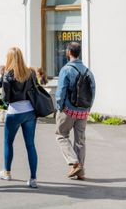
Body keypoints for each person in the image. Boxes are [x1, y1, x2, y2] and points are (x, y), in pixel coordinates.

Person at [0, 46, 38, 188]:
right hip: (30, 111)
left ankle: (7, 173)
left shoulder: (8, 74)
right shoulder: (30, 72)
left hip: (15, 111)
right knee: (30, 145)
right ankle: (33, 179)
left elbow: (6, 98)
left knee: (8, 142)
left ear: (9, 58)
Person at [55, 42, 96, 180]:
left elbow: (60, 92)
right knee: (80, 140)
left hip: (68, 110)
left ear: (69, 53)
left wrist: (59, 107)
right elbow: (93, 91)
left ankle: (74, 162)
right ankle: (81, 171)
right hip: (83, 111)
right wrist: (88, 108)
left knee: (61, 135)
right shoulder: (88, 71)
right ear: (79, 53)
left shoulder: (66, 69)